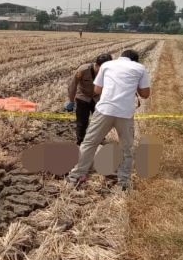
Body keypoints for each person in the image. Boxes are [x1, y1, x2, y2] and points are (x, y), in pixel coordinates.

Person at [67, 49, 151, 191]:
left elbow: (97, 90)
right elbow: (145, 94)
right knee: (127, 148)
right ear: (135, 60)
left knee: (89, 143)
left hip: (104, 110)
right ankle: (124, 181)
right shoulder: (140, 68)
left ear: (121, 57)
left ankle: (76, 175)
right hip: (124, 113)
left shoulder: (107, 65)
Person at [64, 53, 113, 145]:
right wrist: (71, 100)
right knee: (82, 122)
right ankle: (80, 141)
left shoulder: (109, 73)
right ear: (97, 65)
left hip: (97, 98)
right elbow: (73, 85)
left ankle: (99, 139)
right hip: (83, 96)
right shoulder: (83, 70)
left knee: (100, 121)